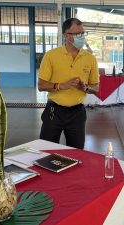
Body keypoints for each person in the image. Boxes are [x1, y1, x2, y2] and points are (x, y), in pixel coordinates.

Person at [38, 18, 99, 149]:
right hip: (54, 112)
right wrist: (60, 86)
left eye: (83, 33)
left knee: (77, 153)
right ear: (66, 35)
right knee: (46, 151)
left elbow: (96, 87)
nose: (82, 37)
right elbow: (41, 85)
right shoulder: (51, 56)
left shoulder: (90, 58)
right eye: (77, 34)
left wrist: (86, 88)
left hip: (77, 113)